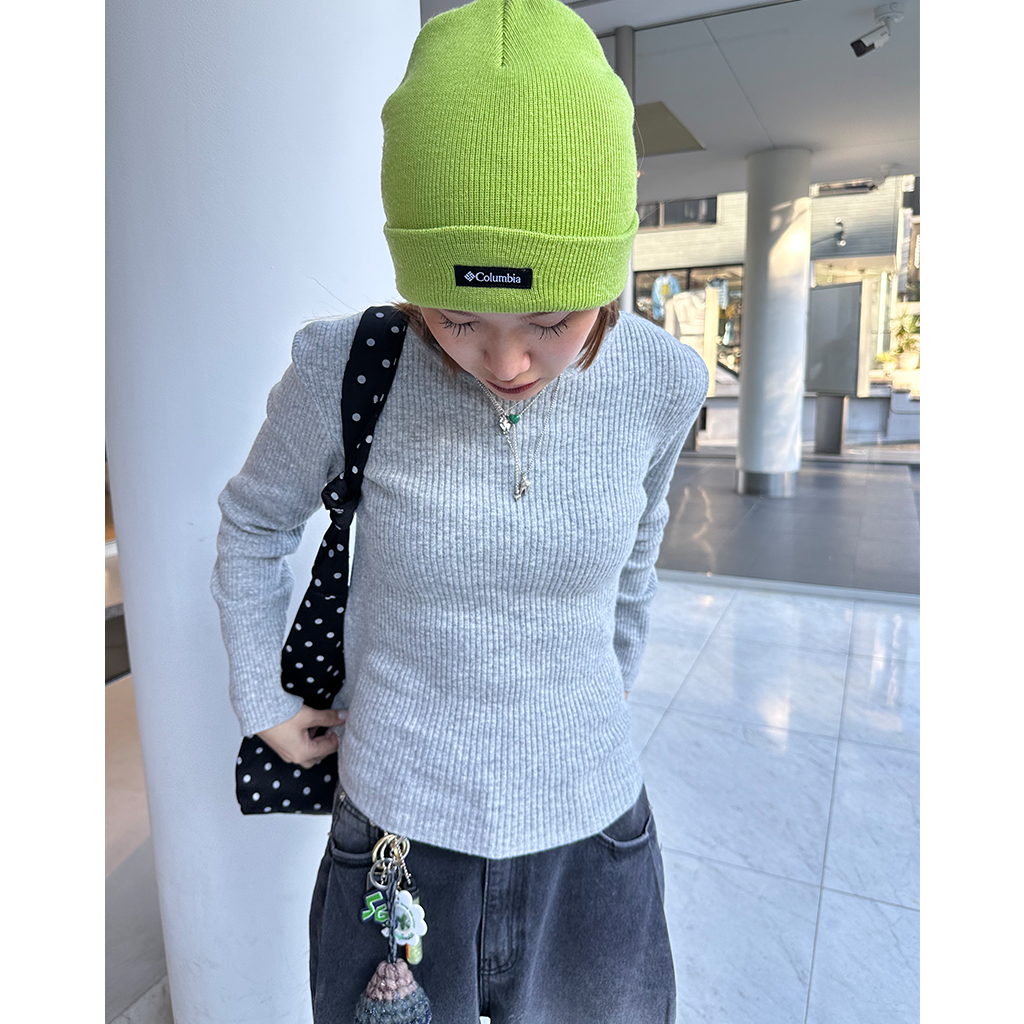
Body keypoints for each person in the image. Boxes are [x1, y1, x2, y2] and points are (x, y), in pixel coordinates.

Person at [212, 1, 708, 1021]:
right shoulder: (345, 367)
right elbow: (254, 523)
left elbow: (640, 543)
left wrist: (609, 678)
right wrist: (261, 698)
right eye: (457, 317)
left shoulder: (662, 380)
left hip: (590, 838)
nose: (507, 359)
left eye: (551, 319)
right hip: (396, 837)